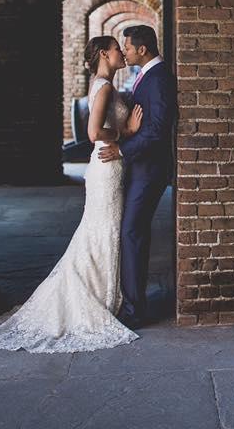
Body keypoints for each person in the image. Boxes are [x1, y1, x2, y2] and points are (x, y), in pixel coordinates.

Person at [0, 36, 144, 353]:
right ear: (103, 55)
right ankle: (92, 297)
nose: (122, 53)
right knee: (102, 230)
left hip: (107, 167)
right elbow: (94, 134)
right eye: (116, 49)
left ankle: (102, 294)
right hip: (107, 166)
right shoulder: (105, 87)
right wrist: (129, 133)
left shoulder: (101, 83)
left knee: (101, 229)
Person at [97, 25, 176, 329]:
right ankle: (132, 302)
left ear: (142, 50)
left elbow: (156, 131)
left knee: (132, 233)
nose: (125, 52)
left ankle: (134, 310)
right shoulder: (148, 77)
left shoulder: (158, 80)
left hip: (149, 171)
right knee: (131, 232)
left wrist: (122, 150)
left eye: (127, 48)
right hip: (140, 169)